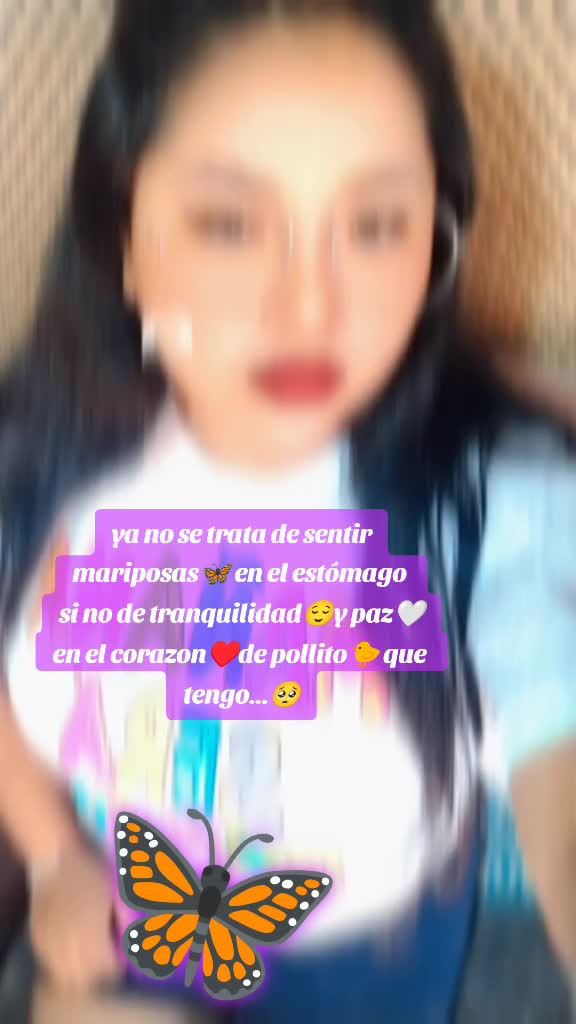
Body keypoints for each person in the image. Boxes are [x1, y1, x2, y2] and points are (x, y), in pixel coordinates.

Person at [0, 1, 574, 1022]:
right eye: (229, 224)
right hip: (137, 907)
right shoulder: (46, 464)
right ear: (123, 239)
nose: (309, 308)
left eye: (376, 225)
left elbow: (554, 726)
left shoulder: (485, 503)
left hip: (371, 950)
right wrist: (50, 860)